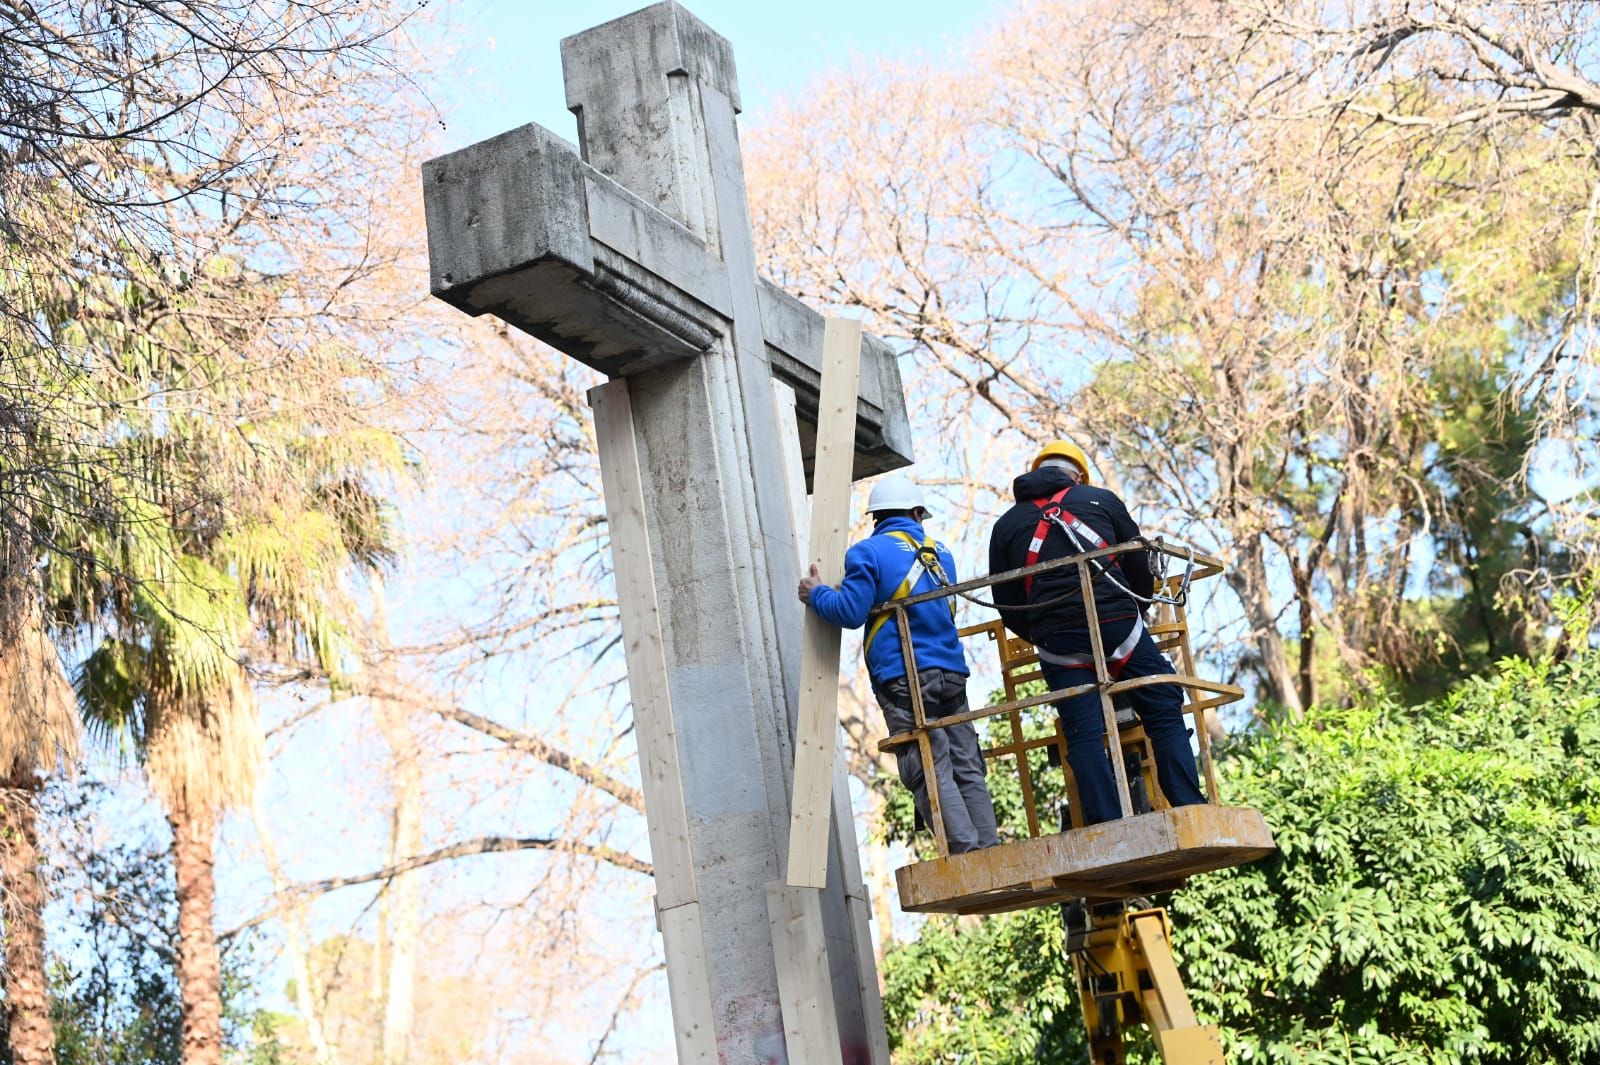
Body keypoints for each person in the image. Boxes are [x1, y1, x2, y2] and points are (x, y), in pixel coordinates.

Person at [988, 441, 1206, 826]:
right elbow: (1139, 568)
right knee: (1162, 705)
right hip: (1118, 628)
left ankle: (1107, 823)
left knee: (1084, 733)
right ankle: (1189, 806)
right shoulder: (1101, 500)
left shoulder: (1005, 525)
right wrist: (1130, 614)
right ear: (1079, 476)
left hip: (1059, 643)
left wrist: (1042, 632)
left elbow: (1007, 604)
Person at [798, 474, 999, 854]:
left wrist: (817, 593)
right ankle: (988, 848)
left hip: (904, 677)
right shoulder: (942, 553)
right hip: (952, 673)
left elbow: (850, 611)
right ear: (917, 512)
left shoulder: (867, 553)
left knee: (928, 763)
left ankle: (965, 854)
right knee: (965, 762)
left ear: (877, 516)